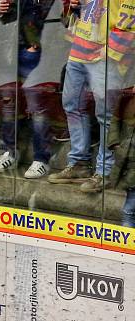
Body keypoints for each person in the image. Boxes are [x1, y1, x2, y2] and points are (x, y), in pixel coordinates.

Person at [47, 0, 135, 193]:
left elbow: (129, 19)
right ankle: (79, 163)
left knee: (105, 115)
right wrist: (70, 6)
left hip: (104, 55)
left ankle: (105, 171)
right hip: (79, 50)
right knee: (72, 105)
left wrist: (111, 52)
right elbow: (71, 16)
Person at [0, 0, 57, 179]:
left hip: (34, 51)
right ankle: (10, 152)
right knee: (9, 106)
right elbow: (0, 14)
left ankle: (41, 159)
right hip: (7, 50)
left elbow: (55, 15)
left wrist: (36, 43)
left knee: (37, 109)